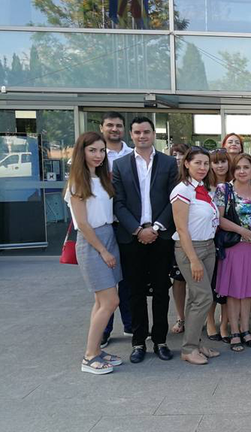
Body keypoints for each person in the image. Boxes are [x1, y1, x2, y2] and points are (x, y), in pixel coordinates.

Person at [112, 117, 177, 364]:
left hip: (161, 236)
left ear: (153, 134)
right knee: (135, 292)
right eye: (137, 132)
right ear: (131, 134)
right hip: (132, 238)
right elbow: (118, 203)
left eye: (146, 132)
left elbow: (174, 199)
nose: (142, 136)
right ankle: (138, 342)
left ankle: (160, 341)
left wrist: (157, 227)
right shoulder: (120, 165)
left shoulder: (169, 163)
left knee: (161, 291)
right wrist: (137, 230)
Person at [65, 132, 123, 374]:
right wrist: (102, 251)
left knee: (101, 301)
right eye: (92, 150)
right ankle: (89, 356)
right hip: (93, 243)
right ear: (82, 152)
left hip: (109, 236)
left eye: (101, 150)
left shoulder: (101, 178)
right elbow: (83, 223)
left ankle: (96, 350)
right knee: (111, 301)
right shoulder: (78, 182)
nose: (98, 155)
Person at [170, 146, 221, 365]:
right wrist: (193, 260)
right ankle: (189, 348)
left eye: (206, 163)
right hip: (191, 249)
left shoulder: (203, 188)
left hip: (208, 247)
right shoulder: (182, 190)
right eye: (197, 163)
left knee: (195, 298)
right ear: (186, 164)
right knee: (204, 297)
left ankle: (195, 343)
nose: (202, 167)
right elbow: (181, 229)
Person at [214, 154, 251, 352]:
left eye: (246, 167)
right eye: (238, 168)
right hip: (234, 246)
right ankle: (234, 331)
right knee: (234, 291)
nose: (242, 171)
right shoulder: (224, 189)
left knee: (249, 291)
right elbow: (219, 219)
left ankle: (246, 330)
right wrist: (241, 231)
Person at [99, 112, 132, 349]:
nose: (114, 129)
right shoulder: (96, 155)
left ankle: (130, 324)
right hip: (105, 224)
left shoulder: (132, 155)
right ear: (102, 128)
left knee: (128, 278)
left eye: (118, 125)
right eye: (110, 125)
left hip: (127, 224)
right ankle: (104, 329)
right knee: (106, 281)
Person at [205, 148, 232, 342]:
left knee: (227, 284)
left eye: (223, 161)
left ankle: (225, 323)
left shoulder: (234, 184)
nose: (220, 165)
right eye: (215, 162)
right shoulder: (204, 186)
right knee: (210, 283)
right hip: (209, 239)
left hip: (229, 240)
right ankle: (209, 322)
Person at [169, 143, 190, 336]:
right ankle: (180, 317)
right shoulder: (170, 178)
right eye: (174, 154)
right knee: (179, 278)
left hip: (200, 236)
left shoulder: (198, 178)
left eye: (181, 154)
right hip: (176, 234)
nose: (177, 158)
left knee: (199, 281)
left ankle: (195, 318)